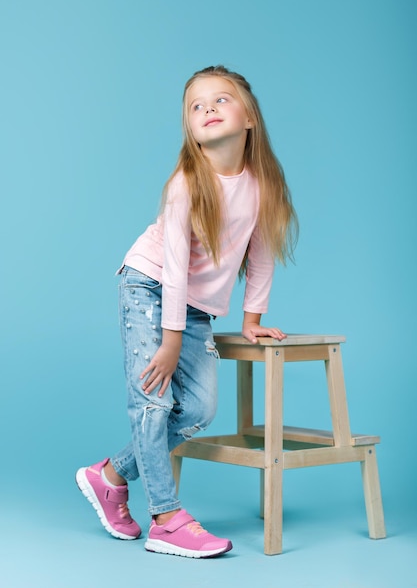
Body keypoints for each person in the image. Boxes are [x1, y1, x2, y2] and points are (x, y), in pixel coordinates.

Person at [76, 65, 298, 558]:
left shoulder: (260, 185)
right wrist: (171, 339)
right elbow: (175, 266)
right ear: (191, 131)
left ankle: (109, 476)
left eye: (221, 100)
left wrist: (252, 320)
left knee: (197, 409)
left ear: (250, 118)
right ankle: (166, 518)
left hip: (193, 308)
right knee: (153, 399)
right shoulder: (186, 183)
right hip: (149, 285)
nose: (209, 109)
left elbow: (261, 255)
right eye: (197, 107)